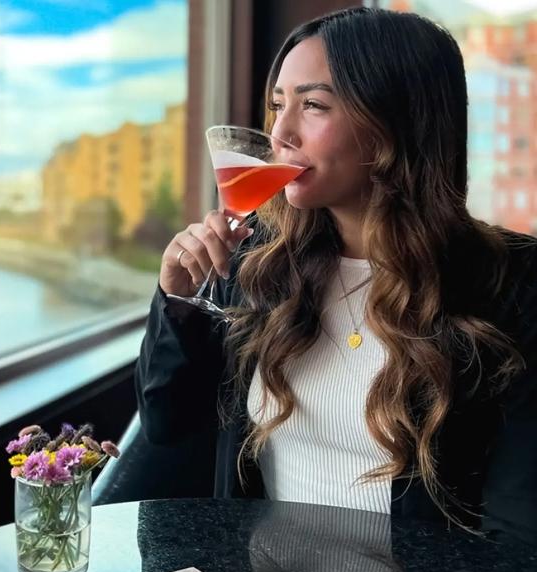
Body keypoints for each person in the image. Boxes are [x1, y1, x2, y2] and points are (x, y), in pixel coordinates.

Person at [135, 7, 537, 538]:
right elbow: (167, 426)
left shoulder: (515, 283)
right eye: (277, 105)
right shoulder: (255, 262)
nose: (280, 133)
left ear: (395, 120)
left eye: (314, 106)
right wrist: (177, 302)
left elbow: (518, 531)